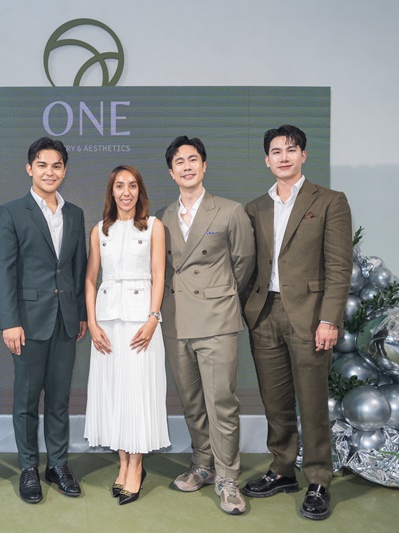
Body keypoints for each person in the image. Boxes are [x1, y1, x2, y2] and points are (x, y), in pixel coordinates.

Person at [241, 125, 352, 520]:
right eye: (276, 151)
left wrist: (329, 319)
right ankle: (282, 469)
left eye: (291, 150)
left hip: (309, 316)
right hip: (264, 314)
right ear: (266, 160)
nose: (284, 157)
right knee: (275, 400)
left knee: (312, 401)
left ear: (303, 155)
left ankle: (319, 478)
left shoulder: (330, 201)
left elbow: (339, 267)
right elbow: (247, 264)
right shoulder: (255, 207)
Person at [156, 135, 255, 515]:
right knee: (192, 402)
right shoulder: (162, 216)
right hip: (176, 320)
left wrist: (218, 296)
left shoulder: (230, 211)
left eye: (193, 159)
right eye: (179, 162)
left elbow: (244, 264)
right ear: (171, 172)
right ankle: (203, 463)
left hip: (216, 320)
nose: (186, 166)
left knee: (221, 403)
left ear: (204, 165)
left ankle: (228, 478)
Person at [0, 137, 87, 504]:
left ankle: (58, 464)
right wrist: (9, 321)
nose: (50, 172)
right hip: (27, 322)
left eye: (57, 165)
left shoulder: (75, 214)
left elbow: (77, 268)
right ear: (29, 168)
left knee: (60, 398)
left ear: (64, 170)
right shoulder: (11, 212)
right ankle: (29, 468)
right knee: (27, 399)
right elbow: (5, 271)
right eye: (43, 165)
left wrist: (80, 314)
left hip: (66, 320)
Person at [84, 165, 170, 506]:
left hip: (140, 324)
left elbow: (159, 274)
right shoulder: (99, 230)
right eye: (119, 186)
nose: (126, 192)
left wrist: (152, 318)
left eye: (132, 185)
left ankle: (136, 466)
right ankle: (122, 463)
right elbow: (91, 279)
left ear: (140, 191)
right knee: (114, 394)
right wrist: (92, 324)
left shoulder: (153, 226)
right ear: (111, 191)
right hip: (107, 323)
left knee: (137, 393)